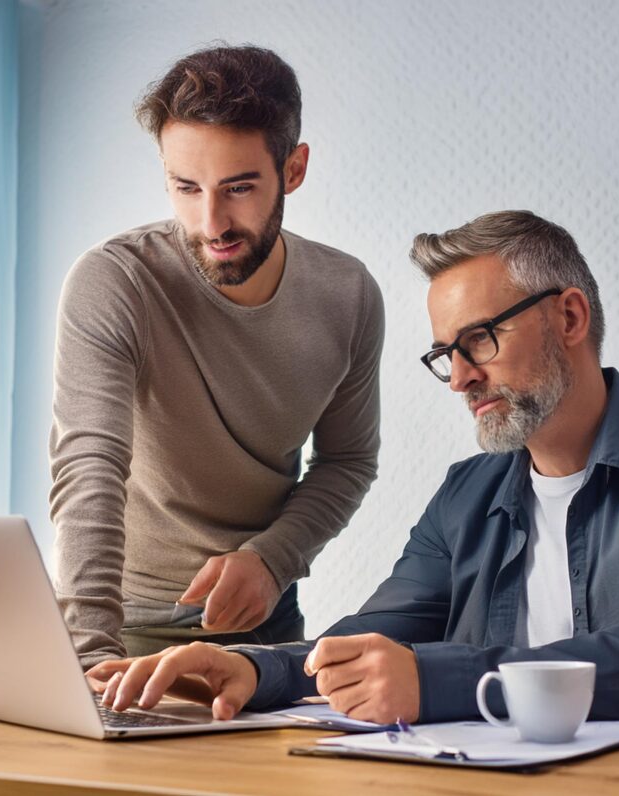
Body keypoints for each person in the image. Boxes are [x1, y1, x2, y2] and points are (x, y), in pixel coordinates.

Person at [88, 210, 619, 724]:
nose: (459, 380)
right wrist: (246, 666)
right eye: (447, 353)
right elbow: (370, 637)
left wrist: (438, 683)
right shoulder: (466, 495)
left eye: (480, 339)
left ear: (568, 316)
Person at [50, 45, 384, 669]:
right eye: (186, 187)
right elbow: (89, 464)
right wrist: (90, 656)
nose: (211, 222)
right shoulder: (115, 281)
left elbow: (348, 460)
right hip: (121, 633)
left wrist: (271, 561)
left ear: (294, 168)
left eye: (238, 187)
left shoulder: (350, 295)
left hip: (267, 634)